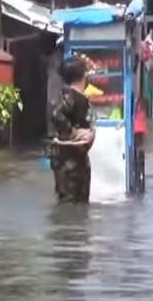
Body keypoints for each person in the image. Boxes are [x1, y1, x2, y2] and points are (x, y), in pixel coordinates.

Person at [50, 57, 95, 203]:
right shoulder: (71, 96)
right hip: (69, 164)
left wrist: (90, 134)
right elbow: (57, 114)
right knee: (69, 203)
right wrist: (73, 133)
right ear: (82, 76)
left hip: (77, 161)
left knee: (78, 205)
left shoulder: (79, 97)